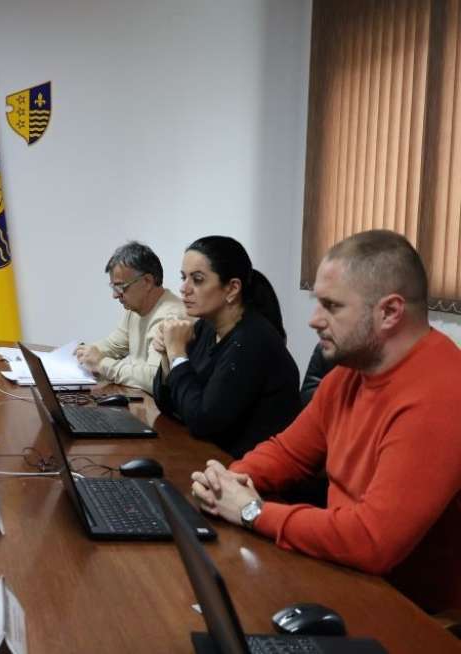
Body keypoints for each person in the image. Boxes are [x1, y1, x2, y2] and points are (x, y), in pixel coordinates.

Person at [190, 230, 461, 614]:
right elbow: (288, 453)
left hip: (410, 613)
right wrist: (229, 482)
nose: (314, 320)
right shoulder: (351, 372)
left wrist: (253, 512)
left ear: (389, 312)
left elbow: (372, 541)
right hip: (344, 576)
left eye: (331, 306)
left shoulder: (441, 393)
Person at [152, 236, 300, 457]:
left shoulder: (252, 340)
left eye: (197, 280)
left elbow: (203, 420)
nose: (184, 288)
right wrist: (167, 354)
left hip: (249, 467)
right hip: (211, 456)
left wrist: (178, 354)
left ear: (232, 288)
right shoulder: (206, 328)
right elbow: (169, 404)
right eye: (184, 278)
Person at [75, 241, 185, 392]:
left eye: (121, 287)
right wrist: (84, 354)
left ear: (147, 281)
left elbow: (154, 378)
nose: (115, 295)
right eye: (114, 287)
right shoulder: (135, 309)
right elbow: (113, 345)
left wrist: (102, 364)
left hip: (156, 404)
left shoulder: (170, 317)